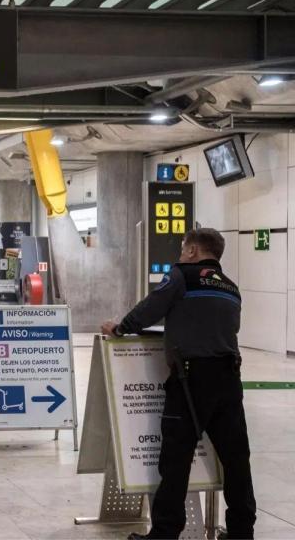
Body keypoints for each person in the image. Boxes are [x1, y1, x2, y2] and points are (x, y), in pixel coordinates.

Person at [101, 228, 255, 540]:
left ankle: (165, 533)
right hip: (229, 379)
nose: (181, 254)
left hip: (191, 380)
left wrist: (121, 327)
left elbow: (152, 307)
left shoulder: (182, 275)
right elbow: (229, 327)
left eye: (184, 248)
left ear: (193, 251)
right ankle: (241, 532)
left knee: (176, 459)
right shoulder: (231, 287)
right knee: (236, 459)